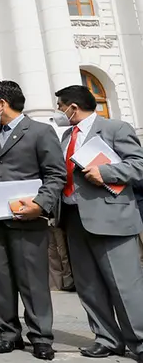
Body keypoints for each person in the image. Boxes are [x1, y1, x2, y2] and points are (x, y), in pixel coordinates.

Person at [53, 85, 143, 362]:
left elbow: (138, 165)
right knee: (89, 285)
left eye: (60, 106)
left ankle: (139, 341)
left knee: (124, 285)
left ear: (73, 107)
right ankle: (106, 338)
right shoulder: (67, 135)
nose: (59, 112)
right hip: (74, 217)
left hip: (111, 218)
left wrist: (105, 171)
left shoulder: (116, 128)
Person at [0, 80, 65, 361]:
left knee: (32, 281)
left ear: (2, 103)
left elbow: (55, 174)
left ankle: (41, 337)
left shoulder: (40, 131)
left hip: (27, 218)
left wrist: (40, 204)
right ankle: (8, 334)